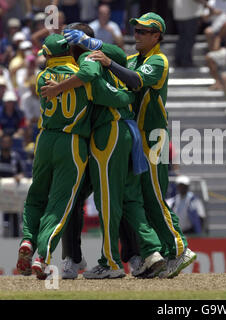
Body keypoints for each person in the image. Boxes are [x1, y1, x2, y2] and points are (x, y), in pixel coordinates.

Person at [63, 13, 197, 279]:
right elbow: (120, 66)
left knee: (155, 197)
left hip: (154, 135)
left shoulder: (159, 60)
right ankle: (156, 253)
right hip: (136, 135)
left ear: (157, 36)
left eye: (144, 31)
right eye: (135, 30)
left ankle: (179, 248)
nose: (137, 34)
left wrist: (104, 57)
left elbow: (134, 81)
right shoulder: (134, 59)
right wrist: (99, 49)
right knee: (139, 198)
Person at [40, 24, 166, 280]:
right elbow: (118, 59)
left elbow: (109, 93)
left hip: (106, 134)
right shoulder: (86, 62)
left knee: (107, 202)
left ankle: (111, 261)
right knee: (129, 199)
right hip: (119, 133)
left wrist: (123, 95)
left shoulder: (87, 60)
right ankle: (151, 251)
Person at [16, 33, 143, 279]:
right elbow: (95, 79)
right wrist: (128, 96)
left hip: (44, 140)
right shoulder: (83, 74)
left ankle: (28, 240)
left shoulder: (41, 76)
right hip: (72, 141)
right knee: (60, 205)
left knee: (35, 198)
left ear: (47, 55)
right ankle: (42, 255)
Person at [0, 134, 25, 237]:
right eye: (4, 142)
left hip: (12, 192)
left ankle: (15, 233)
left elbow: (21, 173)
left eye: (8, 142)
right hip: (1, 191)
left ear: (11, 143)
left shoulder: (16, 157)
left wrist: (19, 176)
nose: (6, 144)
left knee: (15, 211)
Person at [173, 0, 205, 68]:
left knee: (182, 38)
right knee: (189, 39)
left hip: (180, 13)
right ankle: (186, 61)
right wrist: (206, 4)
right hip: (189, 14)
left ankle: (178, 60)